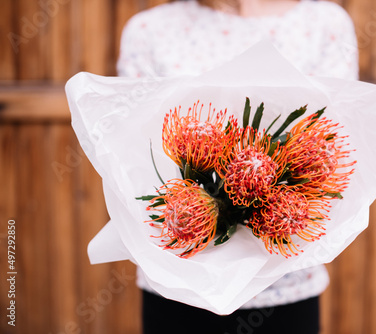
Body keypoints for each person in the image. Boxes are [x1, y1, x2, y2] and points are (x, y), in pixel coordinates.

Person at [117, 0, 358, 332]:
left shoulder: (325, 24)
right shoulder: (149, 31)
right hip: (179, 284)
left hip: (286, 291)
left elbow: (331, 146)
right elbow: (132, 153)